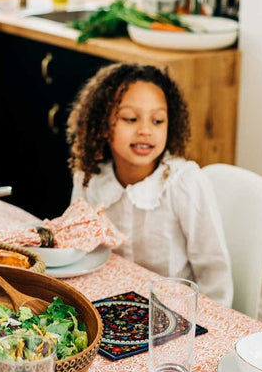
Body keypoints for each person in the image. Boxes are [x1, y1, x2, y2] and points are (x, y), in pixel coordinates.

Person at [67, 63, 233, 306]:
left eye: (157, 121)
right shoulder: (89, 178)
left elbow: (214, 272)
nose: (145, 130)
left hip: (177, 313)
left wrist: (215, 326)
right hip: (111, 307)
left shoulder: (184, 183)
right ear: (103, 126)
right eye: (131, 118)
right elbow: (77, 251)